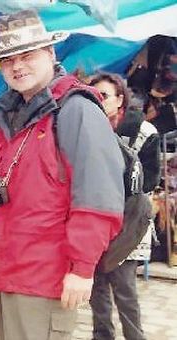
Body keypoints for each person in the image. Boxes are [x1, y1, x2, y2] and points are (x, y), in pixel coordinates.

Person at [0, 10, 125, 340]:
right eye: (8, 59)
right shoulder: (9, 115)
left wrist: (83, 269)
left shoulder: (76, 110)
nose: (17, 66)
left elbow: (98, 197)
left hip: (44, 276)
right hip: (5, 272)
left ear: (51, 53)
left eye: (27, 55)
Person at [89, 73, 161, 340]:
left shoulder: (144, 131)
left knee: (124, 289)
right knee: (96, 289)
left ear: (120, 99)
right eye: (94, 95)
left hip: (129, 221)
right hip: (95, 219)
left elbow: (150, 180)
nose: (99, 101)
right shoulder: (88, 128)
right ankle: (102, 336)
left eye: (104, 95)